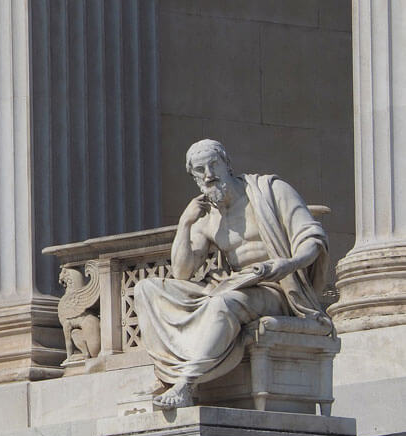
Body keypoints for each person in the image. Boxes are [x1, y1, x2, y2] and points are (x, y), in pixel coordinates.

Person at [135, 139, 332, 409]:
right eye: (200, 170)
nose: (209, 175)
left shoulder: (270, 191)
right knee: (147, 289)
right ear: (194, 177)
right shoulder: (206, 218)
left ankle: (186, 382)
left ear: (227, 164)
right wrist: (185, 223)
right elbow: (181, 272)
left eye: (213, 165)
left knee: (223, 303)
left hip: (279, 289)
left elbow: (312, 240)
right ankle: (167, 374)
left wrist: (286, 264)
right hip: (238, 284)